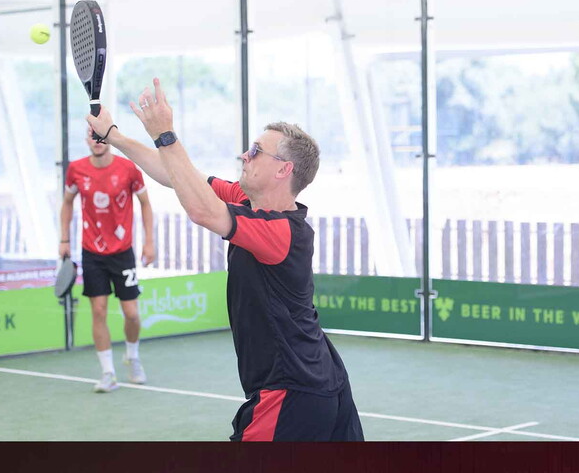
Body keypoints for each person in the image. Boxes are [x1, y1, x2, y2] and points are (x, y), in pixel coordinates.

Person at [85, 78, 364, 441]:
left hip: (291, 392)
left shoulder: (283, 231)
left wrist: (165, 135)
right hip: (319, 380)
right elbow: (178, 176)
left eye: (256, 151)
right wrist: (114, 135)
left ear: (283, 170)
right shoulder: (248, 201)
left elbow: (202, 210)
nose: (245, 155)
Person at [60, 126, 156, 393]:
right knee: (99, 311)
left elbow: (145, 204)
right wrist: (64, 239)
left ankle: (132, 357)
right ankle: (108, 373)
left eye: (102, 136)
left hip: (122, 252)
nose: (98, 141)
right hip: (92, 253)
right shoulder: (76, 170)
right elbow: (67, 203)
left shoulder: (128, 169)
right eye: (93, 136)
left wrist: (149, 241)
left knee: (132, 314)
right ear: (87, 140)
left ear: (109, 139)